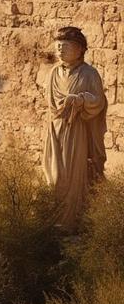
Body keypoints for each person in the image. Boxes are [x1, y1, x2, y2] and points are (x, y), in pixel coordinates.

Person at [43, 25, 107, 227]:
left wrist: (80, 99)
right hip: (54, 129)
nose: (60, 50)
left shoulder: (89, 74)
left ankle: (70, 223)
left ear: (79, 49)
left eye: (65, 46)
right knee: (53, 176)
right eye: (58, 46)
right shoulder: (54, 72)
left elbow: (99, 102)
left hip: (76, 131)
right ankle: (52, 220)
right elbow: (51, 102)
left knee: (71, 178)